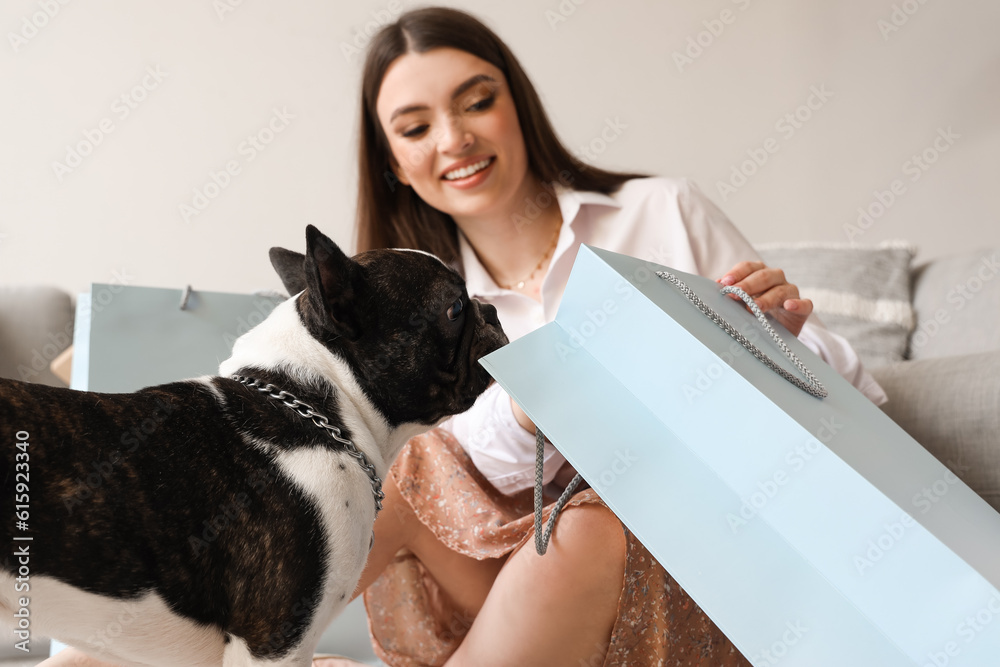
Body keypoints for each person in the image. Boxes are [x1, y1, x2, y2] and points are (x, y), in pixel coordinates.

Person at [42, 7, 887, 667]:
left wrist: (775, 344)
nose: (454, 139)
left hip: (684, 563)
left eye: (477, 100)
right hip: (500, 586)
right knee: (370, 475)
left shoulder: (658, 212)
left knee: (575, 516)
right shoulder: (404, 308)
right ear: (392, 160)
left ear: (516, 102)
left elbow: (857, 398)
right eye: (415, 128)